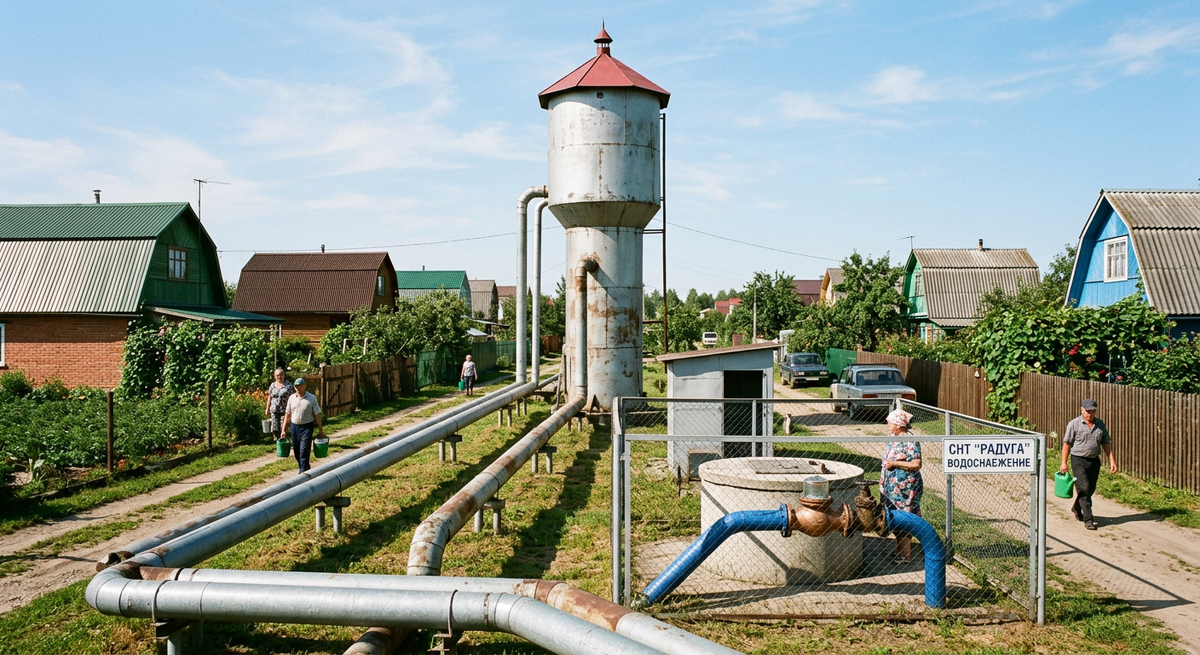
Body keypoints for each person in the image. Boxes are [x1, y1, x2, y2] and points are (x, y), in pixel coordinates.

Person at [1059, 398, 1117, 531]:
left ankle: (1076, 507)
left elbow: (1106, 443)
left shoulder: (1100, 424)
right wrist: (1063, 463)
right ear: (1082, 410)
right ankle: (1088, 519)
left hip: (1094, 460)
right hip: (1078, 460)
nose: (1090, 414)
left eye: (1092, 411)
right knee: (1084, 488)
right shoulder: (1074, 424)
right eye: (1087, 411)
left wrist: (1112, 460)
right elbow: (1067, 444)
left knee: (1090, 489)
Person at [880, 408, 923, 564]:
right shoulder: (894, 438)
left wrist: (894, 464)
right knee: (894, 517)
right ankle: (899, 549)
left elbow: (916, 464)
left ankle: (905, 555)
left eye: (890, 422)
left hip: (905, 489)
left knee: (904, 518)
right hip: (892, 488)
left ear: (899, 425)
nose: (888, 425)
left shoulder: (910, 441)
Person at [281, 378, 323, 474]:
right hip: (294, 427)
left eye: (300, 386)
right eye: (296, 386)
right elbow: (287, 414)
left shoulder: (311, 398)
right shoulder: (292, 398)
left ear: (305, 386)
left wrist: (320, 429)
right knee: (296, 450)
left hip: (307, 427)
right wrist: (283, 430)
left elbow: (317, 414)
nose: (298, 388)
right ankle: (305, 468)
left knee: (304, 450)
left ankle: (302, 472)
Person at [264, 368, 293, 441]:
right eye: (277, 375)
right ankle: (277, 439)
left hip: (284, 409)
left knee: (283, 426)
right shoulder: (272, 385)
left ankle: (283, 439)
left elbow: (292, 398)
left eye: (281, 375)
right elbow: (269, 397)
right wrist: (267, 408)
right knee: (275, 426)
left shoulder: (288, 385)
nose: (279, 377)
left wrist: (292, 409)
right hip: (274, 409)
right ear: (274, 376)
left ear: (284, 375)